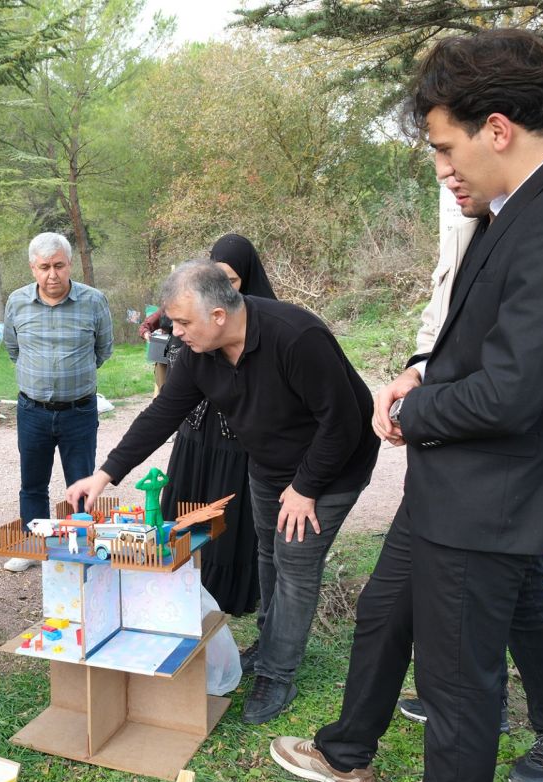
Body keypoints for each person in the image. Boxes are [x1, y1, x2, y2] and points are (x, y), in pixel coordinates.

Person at [270, 30, 543, 782]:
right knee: (386, 612)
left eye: (447, 146)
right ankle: (348, 748)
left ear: (499, 128)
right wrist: (420, 374)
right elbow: (494, 337)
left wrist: (417, 414)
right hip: (459, 480)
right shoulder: (530, 202)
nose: (444, 167)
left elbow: (513, 388)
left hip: (494, 495)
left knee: (457, 691)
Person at [67, 260, 378, 725]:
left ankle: (278, 673)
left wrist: (306, 487)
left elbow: (345, 422)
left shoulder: (295, 336)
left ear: (218, 315)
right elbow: (163, 413)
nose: (176, 332)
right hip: (270, 465)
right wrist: (106, 474)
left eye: (183, 322)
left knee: (294, 563)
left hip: (332, 467)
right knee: (269, 556)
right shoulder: (199, 351)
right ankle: (272, 645)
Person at [152, 233, 276, 616]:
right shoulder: (189, 317)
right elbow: (169, 386)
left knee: (226, 518)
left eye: (232, 282)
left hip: (234, 440)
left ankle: (223, 594)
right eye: (216, 278)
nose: (222, 290)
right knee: (185, 507)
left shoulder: (267, 324)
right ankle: (178, 583)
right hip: (194, 432)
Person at [2, 232, 113, 572]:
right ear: (33, 268)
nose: (52, 275)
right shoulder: (17, 302)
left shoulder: (93, 301)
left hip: (78, 410)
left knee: (80, 482)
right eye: (44, 267)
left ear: (70, 265)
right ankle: (34, 546)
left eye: (59, 266)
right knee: (32, 482)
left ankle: (80, 547)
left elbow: (103, 349)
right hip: (32, 410)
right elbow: (12, 348)